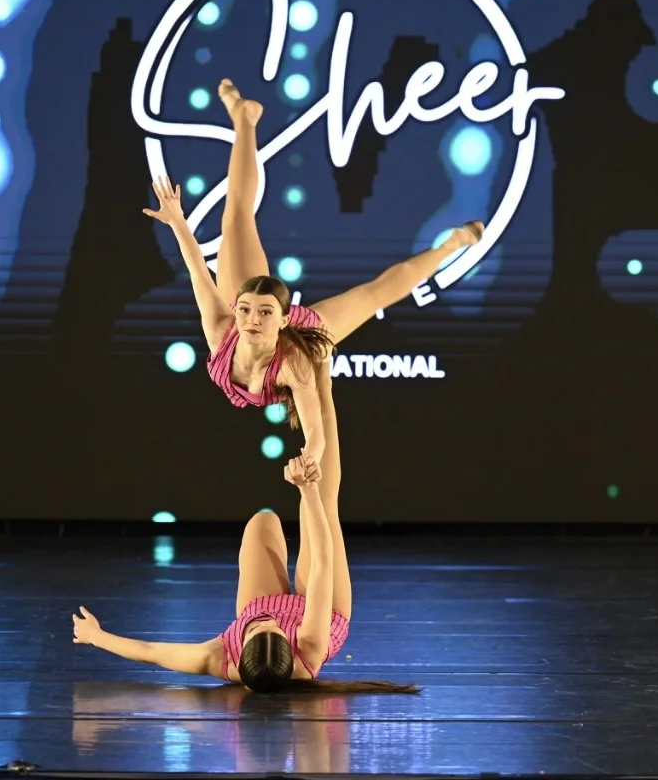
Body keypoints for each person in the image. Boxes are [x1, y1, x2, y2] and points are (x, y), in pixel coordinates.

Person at [142, 79, 483, 462]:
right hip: (262, 309)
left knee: (373, 294)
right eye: (246, 311)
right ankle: (245, 116)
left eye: (264, 313)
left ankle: (450, 245)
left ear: (284, 318)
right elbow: (199, 275)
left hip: (300, 335)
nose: (251, 320)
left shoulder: (293, 363)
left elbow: (316, 433)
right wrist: (178, 223)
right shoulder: (231, 323)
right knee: (235, 220)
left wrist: (308, 461)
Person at [72, 359, 417, 694]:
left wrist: (96, 637)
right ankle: (322, 379)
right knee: (323, 502)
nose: (269, 620)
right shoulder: (310, 643)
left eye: (256, 628)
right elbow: (323, 563)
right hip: (326, 612)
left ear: (239, 646)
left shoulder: (217, 658)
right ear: (291, 644)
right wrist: (307, 490)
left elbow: (154, 653)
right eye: (276, 630)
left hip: (262, 616)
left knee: (262, 522)